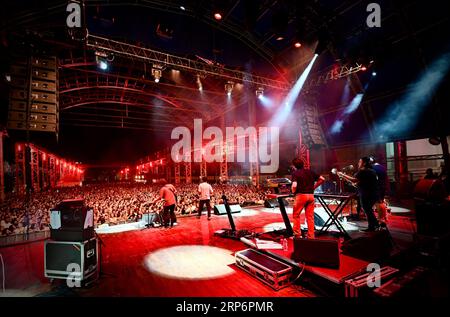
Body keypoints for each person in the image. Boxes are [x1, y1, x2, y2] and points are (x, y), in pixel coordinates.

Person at [340, 157, 379, 231]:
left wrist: (343, 175)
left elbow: (354, 180)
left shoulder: (363, 171)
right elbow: (363, 182)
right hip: (373, 193)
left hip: (366, 194)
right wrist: (356, 184)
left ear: (364, 163)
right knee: (368, 210)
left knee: (367, 210)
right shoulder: (372, 171)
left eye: (360, 162)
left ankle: (372, 227)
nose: (358, 163)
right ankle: (375, 224)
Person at [291, 158, 325, 239]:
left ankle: (297, 235)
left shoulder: (295, 173)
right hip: (310, 196)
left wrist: (293, 192)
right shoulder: (310, 171)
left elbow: (294, 185)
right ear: (303, 164)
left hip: (301, 196)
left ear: (294, 166)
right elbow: (322, 179)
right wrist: (313, 187)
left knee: (296, 215)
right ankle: (311, 236)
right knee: (310, 217)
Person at [370, 157, 389, 227]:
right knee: (381, 202)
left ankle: (380, 220)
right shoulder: (382, 167)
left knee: (377, 203)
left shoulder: (373, 168)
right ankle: (383, 217)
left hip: (377, 187)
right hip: (383, 187)